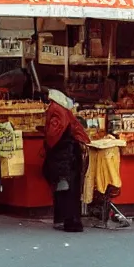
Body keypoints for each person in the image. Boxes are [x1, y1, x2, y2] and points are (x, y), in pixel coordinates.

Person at [42, 89, 89, 232]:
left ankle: (67, 220)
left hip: (64, 154)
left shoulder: (56, 111)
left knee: (64, 187)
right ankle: (69, 220)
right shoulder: (63, 110)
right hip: (69, 153)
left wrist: (48, 143)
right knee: (68, 188)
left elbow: (54, 133)